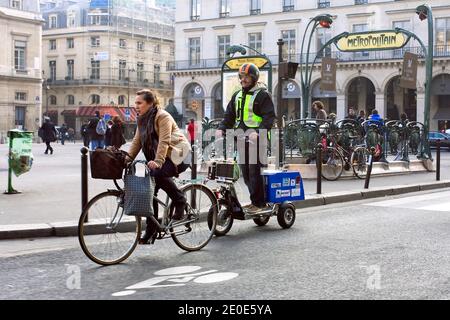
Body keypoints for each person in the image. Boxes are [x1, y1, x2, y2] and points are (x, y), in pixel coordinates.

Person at [127, 89, 190, 245]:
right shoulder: (142, 119)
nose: (136, 105)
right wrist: (127, 159)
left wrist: (159, 161)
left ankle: (179, 199)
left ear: (150, 103)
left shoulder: (163, 116)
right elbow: (137, 141)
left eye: (139, 103)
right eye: (135, 103)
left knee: (158, 174)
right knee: (148, 191)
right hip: (161, 158)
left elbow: (164, 140)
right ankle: (151, 228)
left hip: (179, 155)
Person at [217, 63, 276, 213]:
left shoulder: (263, 95)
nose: (243, 80)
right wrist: (221, 129)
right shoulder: (237, 95)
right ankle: (255, 201)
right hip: (242, 139)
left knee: (255, 171)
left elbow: (269, 117)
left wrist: (259, 132)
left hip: (258, 140)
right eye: (241, 77)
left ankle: (260, 203)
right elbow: (229, 116)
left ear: (254, 78)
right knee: (246, 173)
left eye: (246, 77)